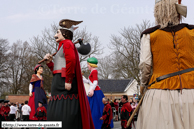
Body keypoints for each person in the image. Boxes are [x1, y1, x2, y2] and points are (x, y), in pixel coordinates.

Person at [137, 0, 194, 129]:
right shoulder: (192, 32)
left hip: (160, 95)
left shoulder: (150, 35)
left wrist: (143, 84)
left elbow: (145, 64)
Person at [44, 19, 94, 129]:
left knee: (64, 113)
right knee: (57, 112)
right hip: (58, 83)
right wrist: (49, 63)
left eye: (57, 32)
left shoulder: (67, 44)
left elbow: (71, 60)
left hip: (64, 84)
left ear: (65, 33)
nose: (54, 35)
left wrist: (68, 80)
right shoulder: (62, 46)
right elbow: (57, 70)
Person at [83, 57, 106, 129]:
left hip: (95, 92)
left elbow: (95, 82)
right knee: (93, 109)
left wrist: (92, 90)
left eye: (88, 64)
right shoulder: (92, 72)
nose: (87, 66)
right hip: (94, 91)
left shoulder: (94, 71)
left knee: (95, 109)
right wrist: (81, 77)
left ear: (91, 64)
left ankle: (96, 124)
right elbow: (89, 82)